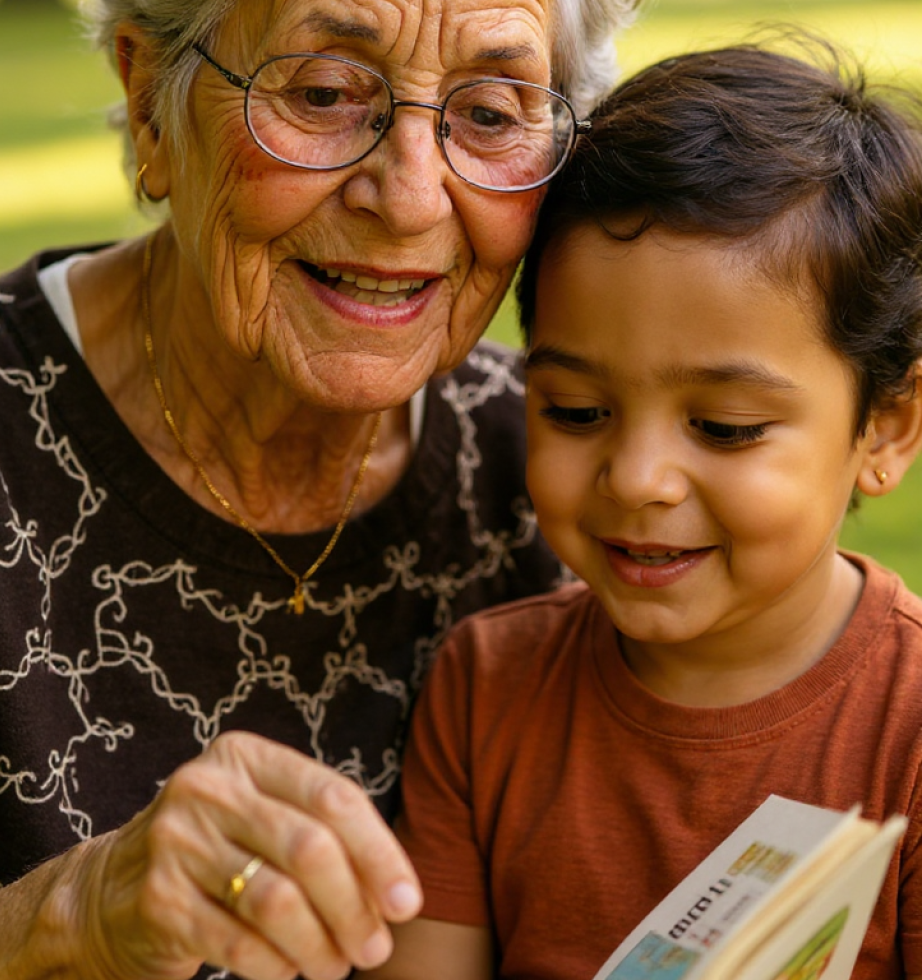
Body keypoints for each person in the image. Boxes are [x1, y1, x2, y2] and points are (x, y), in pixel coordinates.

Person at [0, 0, 638, 975]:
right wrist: (76, 913)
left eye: (490, 113)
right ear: (151, 103)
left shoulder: (559, 468)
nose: (409, 197)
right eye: (323, 92)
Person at [359, 36, 922, 980]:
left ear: (887, 429)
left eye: (726, 425)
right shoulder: (486, 690)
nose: (638, 478)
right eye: (577, 412)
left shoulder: (902, 730)